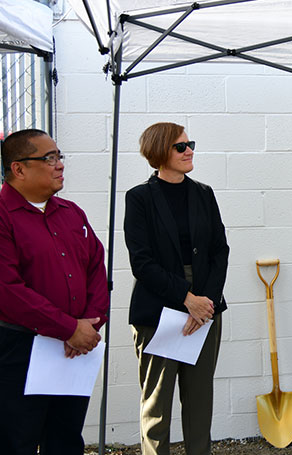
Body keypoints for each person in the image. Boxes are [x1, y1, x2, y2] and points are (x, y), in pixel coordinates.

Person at [0, 129, 108, 454]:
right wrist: (70, 328)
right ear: (19, 168)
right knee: (18, 441)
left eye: (59, 157)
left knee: (66, 439)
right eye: (49, 158)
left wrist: (90, 324)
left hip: (73, 347)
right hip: (18, 347)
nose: (59, 165)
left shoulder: (70, 213)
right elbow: (7, 293)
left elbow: (97, 268)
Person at [124, 122, 229, 455]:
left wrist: (206, 302)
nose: (189, 151)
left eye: (190, 144)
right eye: (180, 147)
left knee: (200, 402)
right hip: (160, 306)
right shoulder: (139, 198)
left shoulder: (203, 193)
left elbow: (219, 251)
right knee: (157, 405)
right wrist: (187, 299)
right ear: (159, 152)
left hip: (206, 304)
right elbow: (142, 263)